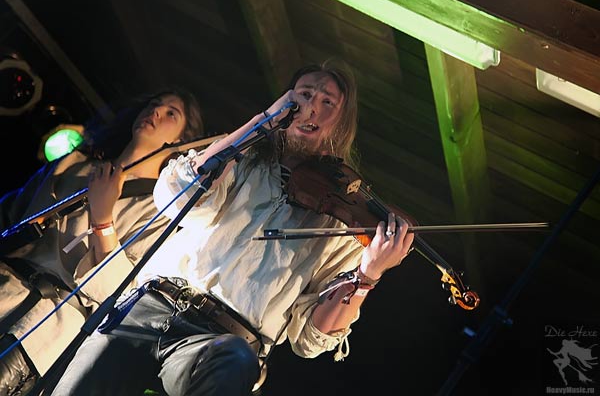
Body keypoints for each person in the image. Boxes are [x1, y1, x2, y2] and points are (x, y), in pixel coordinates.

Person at [51, 60, 415, 396]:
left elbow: (310, 338)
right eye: (304, 95)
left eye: (327, 102)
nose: (312, 108)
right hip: (152, 303)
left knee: (237, 358)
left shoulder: (340, 219)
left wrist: (368, 275)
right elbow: (175, 195)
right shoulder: (242, 159)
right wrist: (259, 125)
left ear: (341, 122)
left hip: (223, 340)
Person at [0, 88, 205, 395]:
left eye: (170, 114)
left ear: (180, 140)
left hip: (42, 324)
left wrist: (103, 216)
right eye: (153, 104)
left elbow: (118, 292)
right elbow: (8, 213)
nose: (156, 112)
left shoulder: (161, 211)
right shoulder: (74, 163)